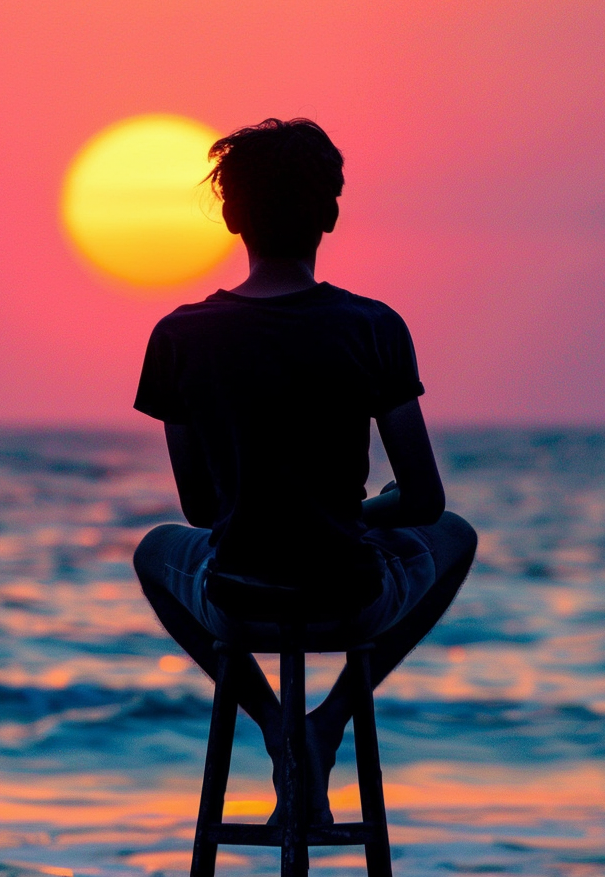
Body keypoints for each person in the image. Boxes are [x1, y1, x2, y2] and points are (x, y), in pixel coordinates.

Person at [132, 117, 476, 824]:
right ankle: (328, 720)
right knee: (458, 536)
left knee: (153, 550)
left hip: (238, 594)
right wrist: (359, 512)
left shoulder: (177, 337)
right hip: (348, 591)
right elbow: (424, 499)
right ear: (329, 214)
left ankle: (270, 720)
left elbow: (200, 511)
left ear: (231, 215)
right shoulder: (374, 328)